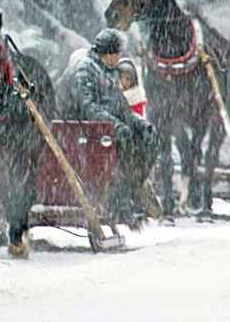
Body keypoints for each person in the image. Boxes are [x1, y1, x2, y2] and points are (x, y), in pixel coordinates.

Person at [63, 28, 159, 223]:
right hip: (86, 130)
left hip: (107, 126)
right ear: (110, 53)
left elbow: (122, 107)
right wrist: (115, 125)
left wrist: (140, 124)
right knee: (124, 141)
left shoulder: (108, 70)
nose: (120, 58)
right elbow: (88, 107)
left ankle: (133, 188)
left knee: (149, 139)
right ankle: (119, 200)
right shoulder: (85, 69)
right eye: (119, 53)